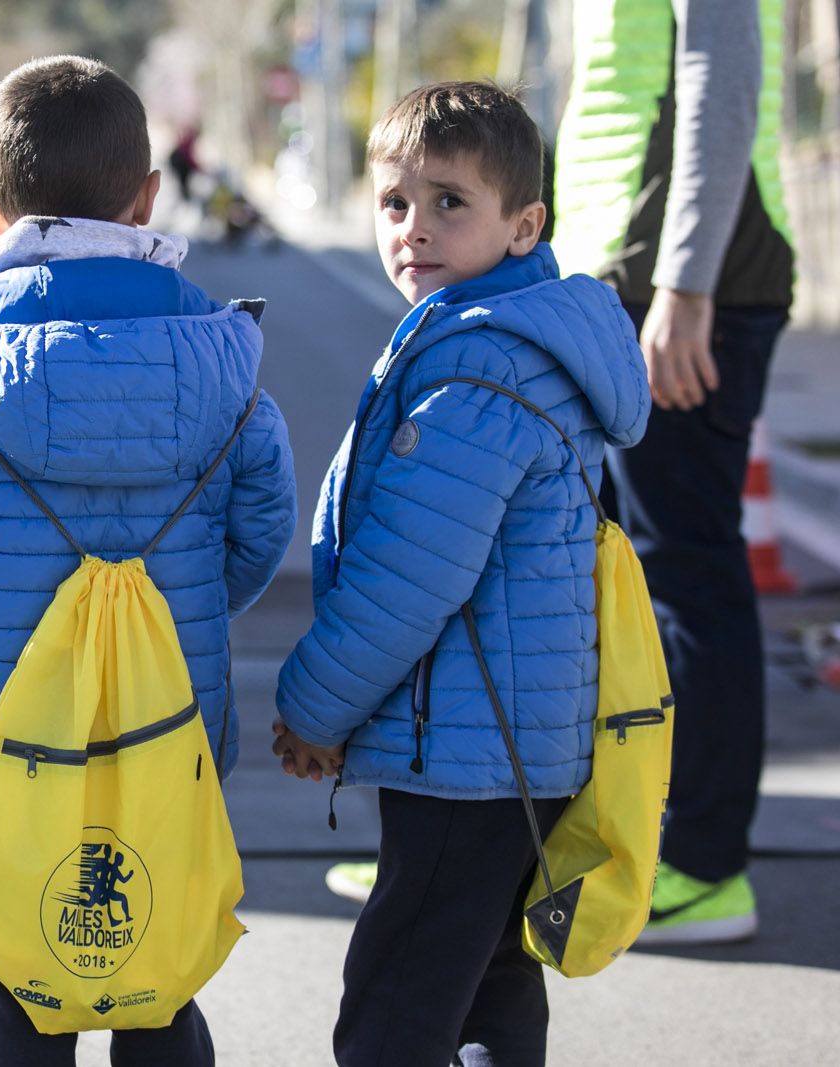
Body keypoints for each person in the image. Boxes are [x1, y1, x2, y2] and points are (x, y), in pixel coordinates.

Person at [0, 55, 297, 1066]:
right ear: (147, 196)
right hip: (167, 715)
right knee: (158, 977)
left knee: (18, 987)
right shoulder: (223, 363)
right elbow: (256, 533)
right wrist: (170, 617)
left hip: (2, 723)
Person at [272, 82, 649, 1066]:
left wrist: (315, 706)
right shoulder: (510, 344)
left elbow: (407, 583)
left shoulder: (475, 376)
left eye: (450, 202)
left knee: (397, 999)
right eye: (395, 203)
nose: (414, 229)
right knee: (490, 981)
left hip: (467, 752)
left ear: (524, 224)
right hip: (520, 738)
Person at [552, 0, 794, 946]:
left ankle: (701, 860)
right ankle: (556, 845)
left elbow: (720, 85)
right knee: (608, 574)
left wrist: (686, 286)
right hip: (624, 279)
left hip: (688, 293)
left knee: (683, 568)